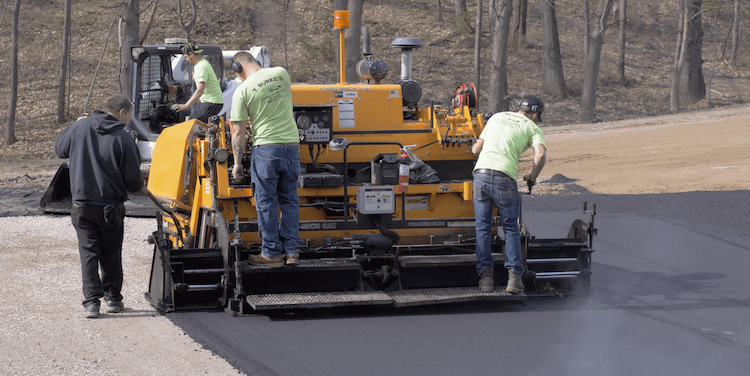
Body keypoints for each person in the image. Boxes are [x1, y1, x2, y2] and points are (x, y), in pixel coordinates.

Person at [55, 94, 144, 318]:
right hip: (110, 207)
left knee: (88, 253)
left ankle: (91, 303)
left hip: (82, 204)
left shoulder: (80, 128)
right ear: (122, 112)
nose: (128, 121)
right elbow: (134, 183)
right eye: (129, 117)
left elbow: (60, 150)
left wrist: (74, 125)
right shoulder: (123, 138)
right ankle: (113, 300)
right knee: (111, 254)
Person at [229, 51, 302, 267]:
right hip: (292, 146)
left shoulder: (241, 91)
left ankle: (271, 253)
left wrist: (237, 163)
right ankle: (292, 252)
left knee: (266, 202)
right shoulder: (282, 74)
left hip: (266, 150)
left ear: (237, 69)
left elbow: (237, 132)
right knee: (290, 199)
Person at [471, 95, 547, 294]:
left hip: (481, 175)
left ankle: (486, 280)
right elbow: (540, 154)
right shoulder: (532, 128)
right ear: (535, 113)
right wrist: (532, 176)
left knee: (483, 228)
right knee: (511, 229)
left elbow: (475, 149)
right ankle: (514, 279)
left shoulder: (496, 117)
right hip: (505, 179)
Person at [171, 42, 223, 123]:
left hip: (212, 102)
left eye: (186, 57)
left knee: (193, 123)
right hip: (206, 100)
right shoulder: (201, 64)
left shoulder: (201, 66)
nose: (186, 59)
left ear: (191, 54)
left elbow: (200, 90)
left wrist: (186, 105)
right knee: (193, 121)